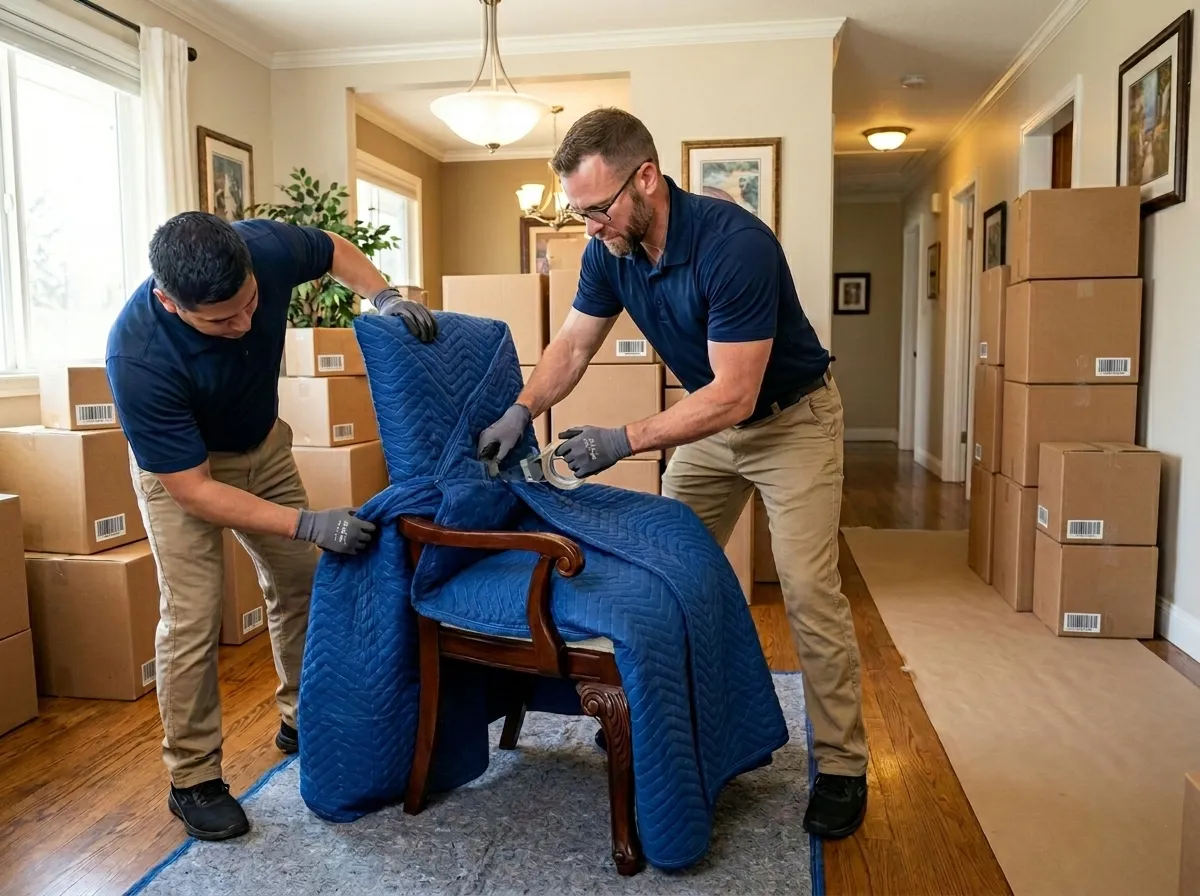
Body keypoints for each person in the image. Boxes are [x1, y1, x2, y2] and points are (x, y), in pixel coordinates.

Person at [477, 109, 869, 839]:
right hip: (713, 429)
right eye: (579, 212)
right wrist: (521, 407)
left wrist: (624, 439)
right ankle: (664, 724)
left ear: (646, 179)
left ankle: (843, 766)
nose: (589, 225)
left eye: (597, 208)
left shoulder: (737, 246)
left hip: (791, 421)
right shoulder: (611, 250)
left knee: (810, 590)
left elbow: (737, 393)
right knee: (659, 570)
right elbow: (573, 345)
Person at [105, 211, 437, 842]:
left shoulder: (265, 248)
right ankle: (194, 778)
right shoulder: (138, 356)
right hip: (186, 472)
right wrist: (308, 522)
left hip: (263, 445)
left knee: (304, 583)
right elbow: (195, 491)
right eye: (221, 320)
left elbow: (334, 248)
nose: (245, 324)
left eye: (250, 304)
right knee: (194, 614)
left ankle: (300, 716)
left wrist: (385, 296)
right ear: (169, 303)